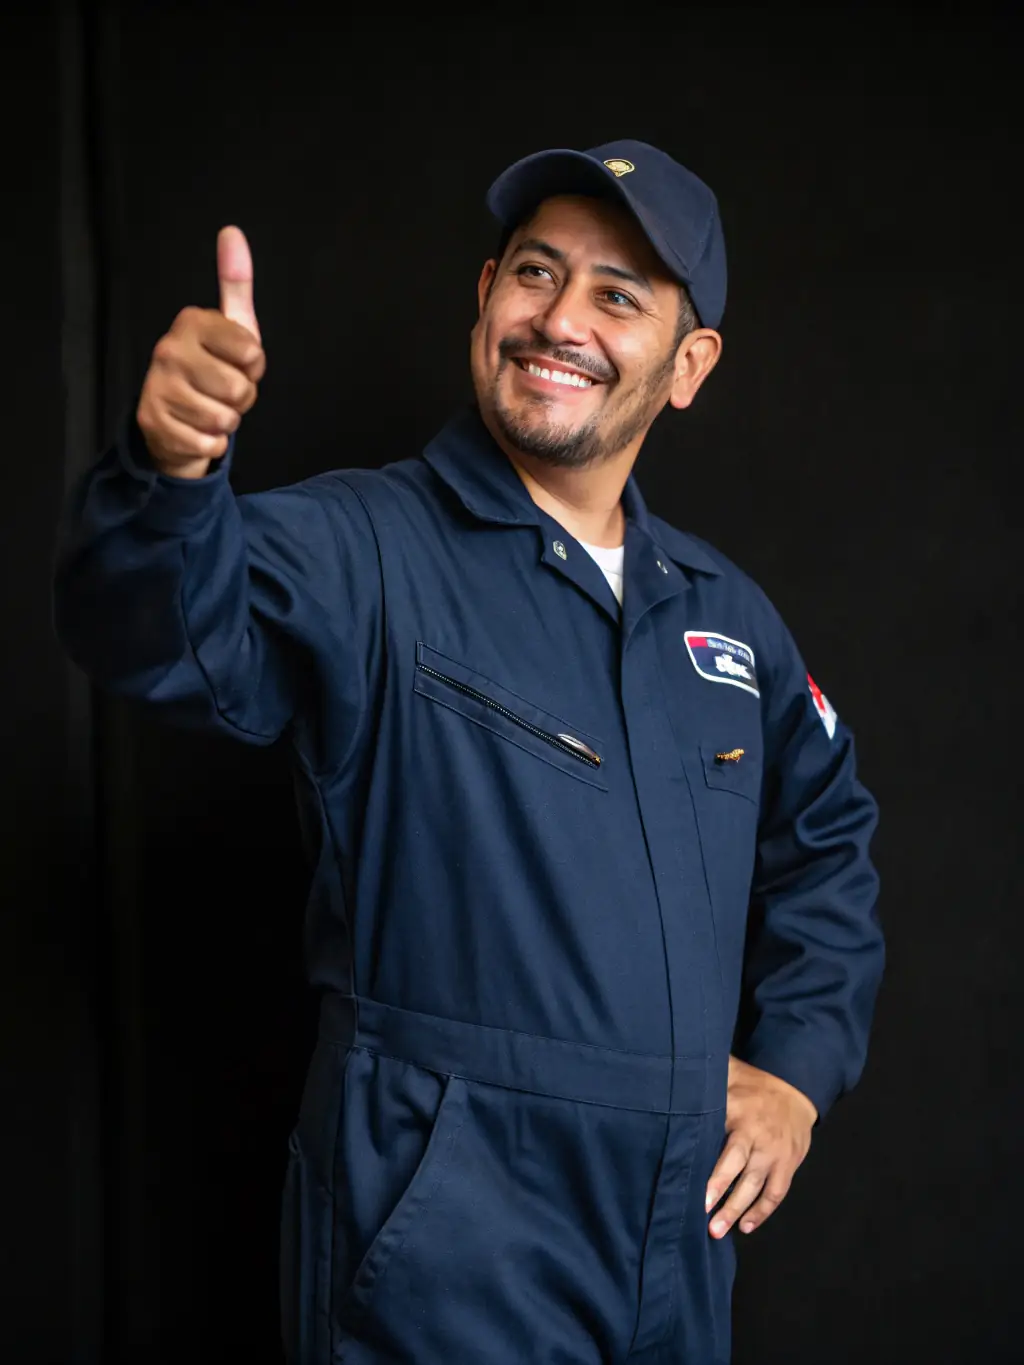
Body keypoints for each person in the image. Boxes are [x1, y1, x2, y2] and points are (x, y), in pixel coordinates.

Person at [53, 139, 883, 1364]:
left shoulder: (723, 618)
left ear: (689, 364)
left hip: (675, 1252)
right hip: (445, 1249)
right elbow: (150, 629)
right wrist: (171, 473)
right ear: (485, 295)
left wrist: (797, 1070)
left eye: (617, 295)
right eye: (535, 274)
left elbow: (829, 845)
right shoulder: (364, 548)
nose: (559, 320)